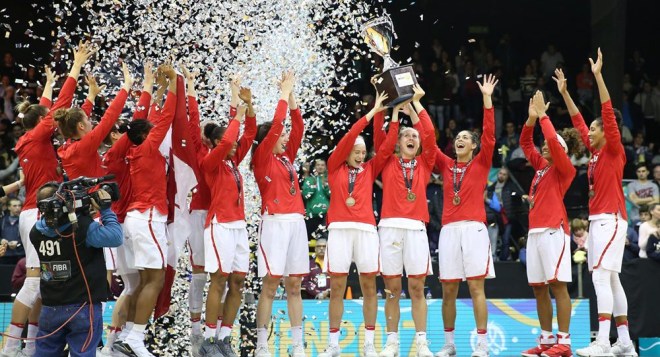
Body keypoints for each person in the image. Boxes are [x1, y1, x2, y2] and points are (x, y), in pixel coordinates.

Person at [1, 41, 95, 357]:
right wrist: (75, 67)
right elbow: (59, 108)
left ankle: (31, 348)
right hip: (36, 214)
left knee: (45, 285)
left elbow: (50, 112)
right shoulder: (37, 138)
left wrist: (49, 85)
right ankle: (10, 348)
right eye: (47, 121)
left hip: (40, 212)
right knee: (33, 284)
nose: (53, 125)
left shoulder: (31, 141)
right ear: (41, 124)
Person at [560, 49, 637, 357]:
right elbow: (578, 120)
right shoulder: (593, 153)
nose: (588, 133)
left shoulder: (613, 149)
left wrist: (598, 76)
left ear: (607, 132)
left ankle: (604, 342)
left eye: (594, 130)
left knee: (600, 277)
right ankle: (625, 342)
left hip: (611, 218)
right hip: (601, 219)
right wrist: (565, 93)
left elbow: (606, 109)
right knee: (612, 279)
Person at [316, 90, 396, 357]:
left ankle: (370, 344)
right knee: (337, 287)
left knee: (370, 286)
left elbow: (387, 147)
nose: (361, 156)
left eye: (363, 152)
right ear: (347, 151)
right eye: (357, 151)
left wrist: (391, 114)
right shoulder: (333, 166)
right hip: (338, 230)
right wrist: (370, 113)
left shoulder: (371, 169)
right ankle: (334, 344)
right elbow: (350, 135)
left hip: (365, 230)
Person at [114, 64, 177, 357]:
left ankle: (127, 335)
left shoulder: (137, 149)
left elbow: (150, 118)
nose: (157, 131)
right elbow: (165, 117)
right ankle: (137, 338)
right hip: (149, 217)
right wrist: (175, 81)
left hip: (136, 219)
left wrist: (155, 87)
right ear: (146, 135)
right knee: (156, 279)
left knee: (140, 282)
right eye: (153, 131)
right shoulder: (150, 146)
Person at [434, 74, 498, 357]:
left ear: (473, 146)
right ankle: (449, 344)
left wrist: (487, 99)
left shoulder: (482, 163)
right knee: (448, 290)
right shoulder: (446, 165)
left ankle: (482, 346)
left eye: (465, 138)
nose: (459, 140)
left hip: (474, 228)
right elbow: (427, 137)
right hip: (449, 229)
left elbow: (490, 134)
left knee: (475, 288)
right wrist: (415, 106)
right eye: (457, 138)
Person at [374, 85, 437, 357]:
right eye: (406, 136)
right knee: (392, 289)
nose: (412, 137)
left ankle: (422, 342)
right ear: (398, 142)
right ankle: (392, 341)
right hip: (389, 226)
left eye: (414, 135)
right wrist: (393, 111)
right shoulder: (387, 161)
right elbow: (380, 139)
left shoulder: (425, 162)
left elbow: (430, 134)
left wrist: (418, 105)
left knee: (416, 287)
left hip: (416, 228)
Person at [98, 62, 154, 357]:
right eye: (118, 134)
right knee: (131, 286)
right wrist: (144, 87)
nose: (124, 136)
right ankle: (111, 345)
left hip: (116, 222)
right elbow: (136, 121)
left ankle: (117, 344)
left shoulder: (111, 154)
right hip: (119, 223)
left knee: (132, 286)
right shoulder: (116, 153)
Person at [519, 91, 579, 357]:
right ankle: (545, 340)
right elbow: (525, 143)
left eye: (550, 144)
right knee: (538, 287)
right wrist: (532, 119)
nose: (544, 146)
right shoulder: (542, 167)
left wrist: (544, 116)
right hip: (535, 232)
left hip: (554, 230)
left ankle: (564, 342)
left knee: (558, 285)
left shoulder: (565, 169)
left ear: (561, 150)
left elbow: (553, 142)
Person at [30, 184, 122, 357]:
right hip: (82, 307)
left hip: (50, 307)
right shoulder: (83, 228)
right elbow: (116, 237)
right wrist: (106, 210)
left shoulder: (35, 232)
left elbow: (55, 227)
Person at [253, 71, 308, 357]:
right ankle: (262, 345)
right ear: (267, 139)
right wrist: (282, 95)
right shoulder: (261, 159)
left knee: (295, 285)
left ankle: (297, 345)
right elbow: (278, 124)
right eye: (280, 135)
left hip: (296, 222)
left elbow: (297, 127)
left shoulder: (287, 158)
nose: (285, 137)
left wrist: (292, 95)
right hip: (274, 223)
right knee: (271, 285)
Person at [199, 85, 256, 357]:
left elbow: (251, 134)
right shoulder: (211, 162)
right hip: (219, 224)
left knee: (238, 282)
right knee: (218, 279)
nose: (235, 146)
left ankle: (224, 337)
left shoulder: (233, 162)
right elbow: (227, 142)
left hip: (239, 226)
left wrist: (249, 107)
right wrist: (238, 115)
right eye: (229, 144)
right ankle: (208, 340)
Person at [302, 159, 330, 240]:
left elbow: (332, 195)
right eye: (318, 165)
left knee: (324, 240)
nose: (320, 167)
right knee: (308, 240)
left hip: (325, 216)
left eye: (322, 165)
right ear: (314, 167)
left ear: (325, 167)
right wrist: (312, 186)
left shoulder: (328, 179)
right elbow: (305, 195)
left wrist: (326, 186)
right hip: (311, 216)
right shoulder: (309, 180)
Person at [0, 198, 25, 265]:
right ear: (9, 207)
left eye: (19, 205)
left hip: (20, 254)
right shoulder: (2, 220)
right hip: (4, 255)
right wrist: (1, 241)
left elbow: (29, 237)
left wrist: (18, 243)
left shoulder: (24, 220)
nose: (17, 208)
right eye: (14, 206)